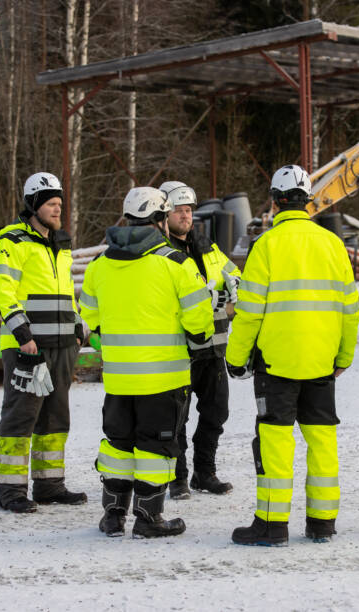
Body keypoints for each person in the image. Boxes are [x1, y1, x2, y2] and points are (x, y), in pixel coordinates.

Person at [225, 164, 359, 546]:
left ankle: (272, 524)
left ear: (274, 201)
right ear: (309, 200)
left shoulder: (266, 244)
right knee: (322, 442)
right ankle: (322, 522)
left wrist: (235, 358)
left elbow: (250, 312)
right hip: (321, 362)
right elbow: (350, 308)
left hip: (277, 363)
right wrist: (343, 356)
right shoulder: (332, 244)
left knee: (276, 442)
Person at [79, 186, 215, 538]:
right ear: (160, 219)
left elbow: (89, 318)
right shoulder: (176, 264)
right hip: (163, 379)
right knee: (155, 448)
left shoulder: (98, 265)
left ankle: (113, 515)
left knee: (117, 444)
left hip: (119, 380)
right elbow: (200, 325)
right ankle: (148, 518)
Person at [0, 171, 87, 514]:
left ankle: (49, 486)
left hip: (62, 345)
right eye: (50, 204)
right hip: (28, 346)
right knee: (21, 416)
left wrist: (77, 325)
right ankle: (11, 491)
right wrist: (23, 335)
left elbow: (65, 293)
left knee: (56, 417)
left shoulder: (62, 243)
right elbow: (2, 291)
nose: (57, 210)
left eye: (60, 204)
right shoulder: (12, 242)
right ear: (33, 206)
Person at [159, 180, 241, 500]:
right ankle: (178, 478)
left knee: (216, 412)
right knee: (177, 417)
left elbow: (235, 279)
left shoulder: (209, 248)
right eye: (179, 210)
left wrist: (233, 290)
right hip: (179, 351)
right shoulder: (161, 254)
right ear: (164, 213)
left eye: (189, 210)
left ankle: (204, 472)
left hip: (213, 347)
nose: (186, 215)